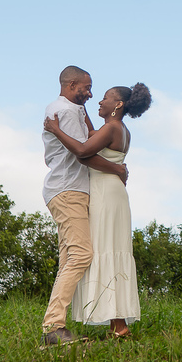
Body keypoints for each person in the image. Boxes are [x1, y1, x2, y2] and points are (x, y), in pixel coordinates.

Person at [45, 83, 151, 339]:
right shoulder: (117, 128)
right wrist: (83, 110)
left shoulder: (113, 127)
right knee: (110, 251)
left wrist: (56, 130)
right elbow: (93, 133)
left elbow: (83, 152)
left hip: (105, 193)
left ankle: (118, 324)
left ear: (118, 105)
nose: (99, 102)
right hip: (113, 192)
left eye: (105, 98)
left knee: (102, 251)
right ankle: (119, 326)